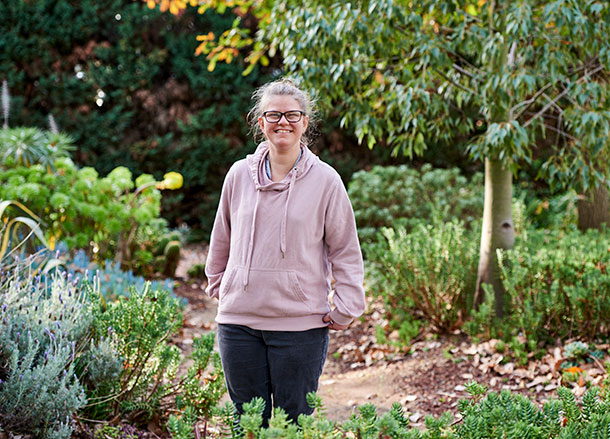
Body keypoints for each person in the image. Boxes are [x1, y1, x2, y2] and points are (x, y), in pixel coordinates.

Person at [205, 78, 365, 426]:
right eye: (273, 114)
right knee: (247, 424)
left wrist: (348, 305)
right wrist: (222, 287)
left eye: (292, 115)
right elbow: (222, 238)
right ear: (260, 122)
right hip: (238, 324)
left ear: (305, 123)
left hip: (300, 327)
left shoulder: (326, 180)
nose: (283, 122)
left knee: (294, 424)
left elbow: (345, 249)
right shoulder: (237, 176)